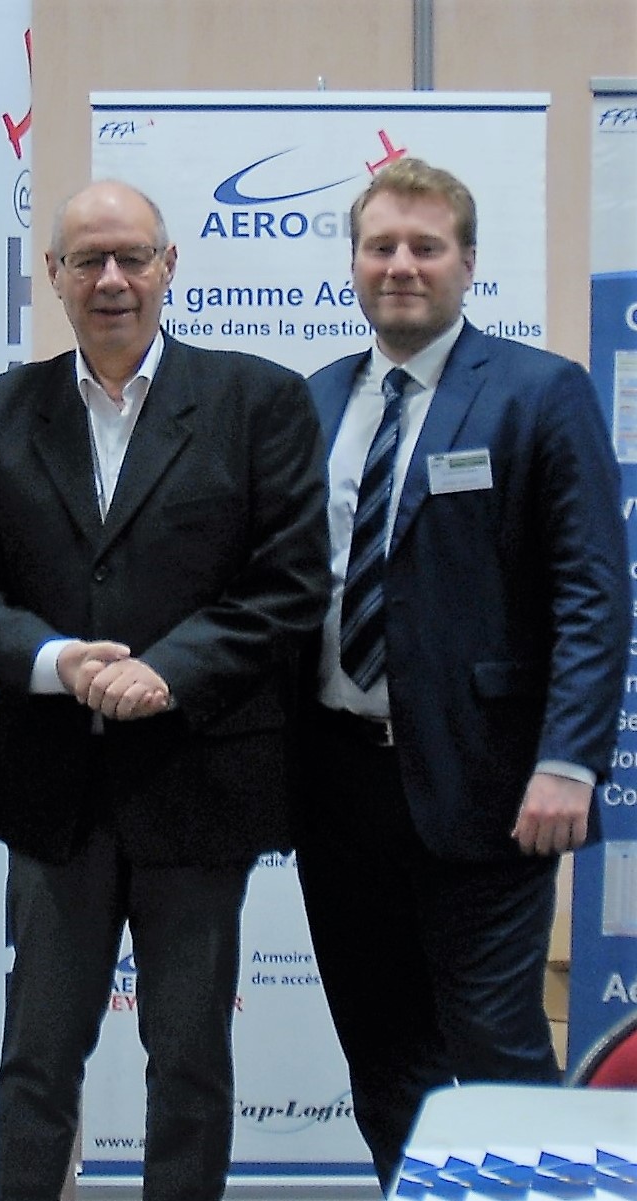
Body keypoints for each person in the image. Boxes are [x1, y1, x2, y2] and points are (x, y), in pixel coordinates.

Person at [0, 180, 330, 1201]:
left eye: (131, 257)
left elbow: (289, 582)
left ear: (168, 267)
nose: (111, 279)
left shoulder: (259, 401)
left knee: (189, 1065)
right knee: (35, 1062)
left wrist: (169, 670)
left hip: (198, 783)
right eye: (88, 261)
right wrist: (55, 660)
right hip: (50, 786)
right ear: (54, 276)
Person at [296, 157, 626, 1185]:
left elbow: (591, 593)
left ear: (468, 262)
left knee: (494, 1050)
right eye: (380, 246)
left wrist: (569, 761)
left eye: (424, 247)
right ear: (353, 263)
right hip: (336, 789)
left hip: (490, 788)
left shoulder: (539, 391)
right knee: (381, 1053)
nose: (400, 265)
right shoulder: (312, 401)